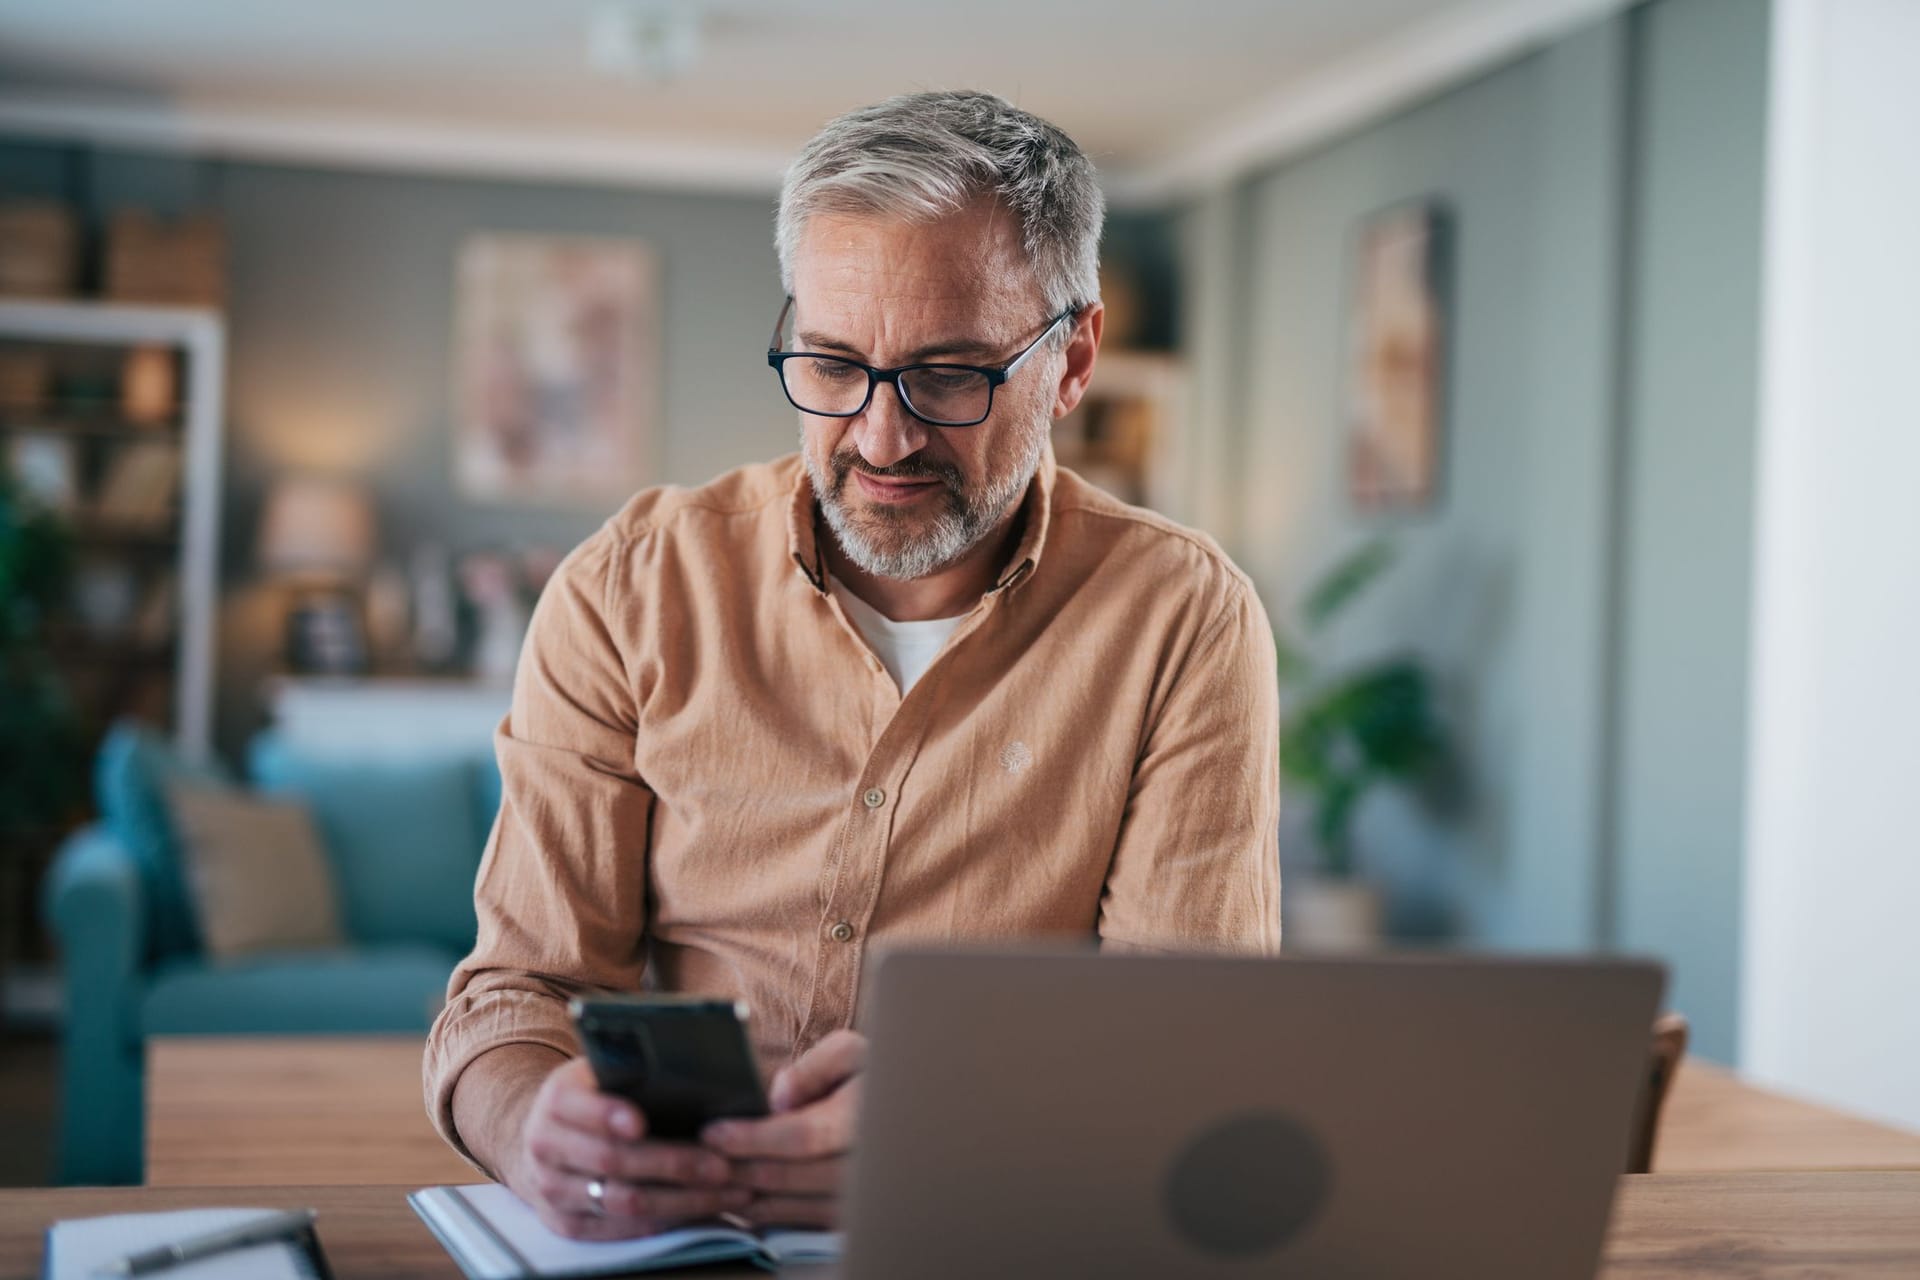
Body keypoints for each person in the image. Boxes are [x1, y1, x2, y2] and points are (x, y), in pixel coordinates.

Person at [422, 89, 1281, 1242]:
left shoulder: (1183, 619)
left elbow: (1187, 1042)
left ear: (1072, 360)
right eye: (831, 363)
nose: (881, 438)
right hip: (672, 1244)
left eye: (950, 375)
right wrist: (531, 1121)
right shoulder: (628, 587)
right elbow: (510, 996)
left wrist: (963, 1125)